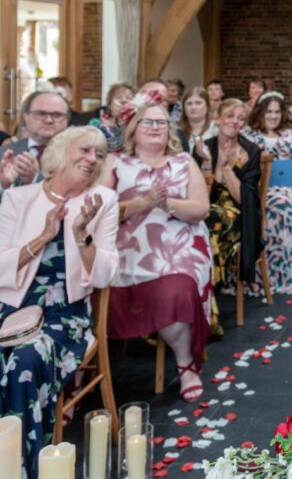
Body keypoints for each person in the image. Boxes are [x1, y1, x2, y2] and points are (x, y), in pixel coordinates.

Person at [0, 126, 118, 475]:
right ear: (60, 152)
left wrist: (83, 237)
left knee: (26, 359)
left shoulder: (102, 201)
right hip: (9, 311)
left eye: (98, 154)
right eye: (84, 150)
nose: (92, 159)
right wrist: (43, 238)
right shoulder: (18, 198)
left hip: (65, 317)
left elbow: (104, 276)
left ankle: (24, 469)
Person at [98, 103, 212, 402]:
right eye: (147, 121)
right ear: (133, 129)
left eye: (161, 123)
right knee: (95, 284)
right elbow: (99, 211)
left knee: (175, 289)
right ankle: (88, 369)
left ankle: (186, 363)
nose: (155, 127)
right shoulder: (114, 162)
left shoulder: (183, 162)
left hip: (178, 247)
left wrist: (166, 204)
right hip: (125, 250)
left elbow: (201, 209)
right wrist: (143, 203)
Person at [243, 92, 292, 295]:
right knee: (269, 203)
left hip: (288, 189)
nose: (273, 116)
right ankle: (260, 275)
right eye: (269, 111)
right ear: (260, 113)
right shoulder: (248, 136)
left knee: (283, 202)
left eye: (277, 112)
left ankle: (285, 273)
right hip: (256, 190)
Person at [196, 98, 262, 329]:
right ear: (218, 118)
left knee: (210, 220)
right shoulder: (205, 147)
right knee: (207, 219)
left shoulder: (251, 151)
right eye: (230, 116)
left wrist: (225, 167)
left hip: (240, 216)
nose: (235, 121)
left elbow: (243, 200)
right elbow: (205, 195)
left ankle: (204, 296)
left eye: (240, 118)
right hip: (209, 207)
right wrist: (210, 164)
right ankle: (205, 298)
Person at [0, 91, 71, 199]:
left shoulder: (79, 155)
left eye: (57, 115)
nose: (48, 120)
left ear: (67, 120)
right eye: (41, 114)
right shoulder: (4, 153)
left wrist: (35, 179)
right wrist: (3, 185)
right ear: (26, 117)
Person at [91, 82, 135, 152]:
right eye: (119, 97)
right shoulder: (97, 125)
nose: (124, 101)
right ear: (110, 105)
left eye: (129, 98)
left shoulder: (137, 127)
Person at [178, 86, 218, 154]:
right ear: (184, 108)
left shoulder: (216, 129)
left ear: (207, 106)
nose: (193, 107)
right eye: (189, 103)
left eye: (198, 103)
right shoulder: (176, 130)